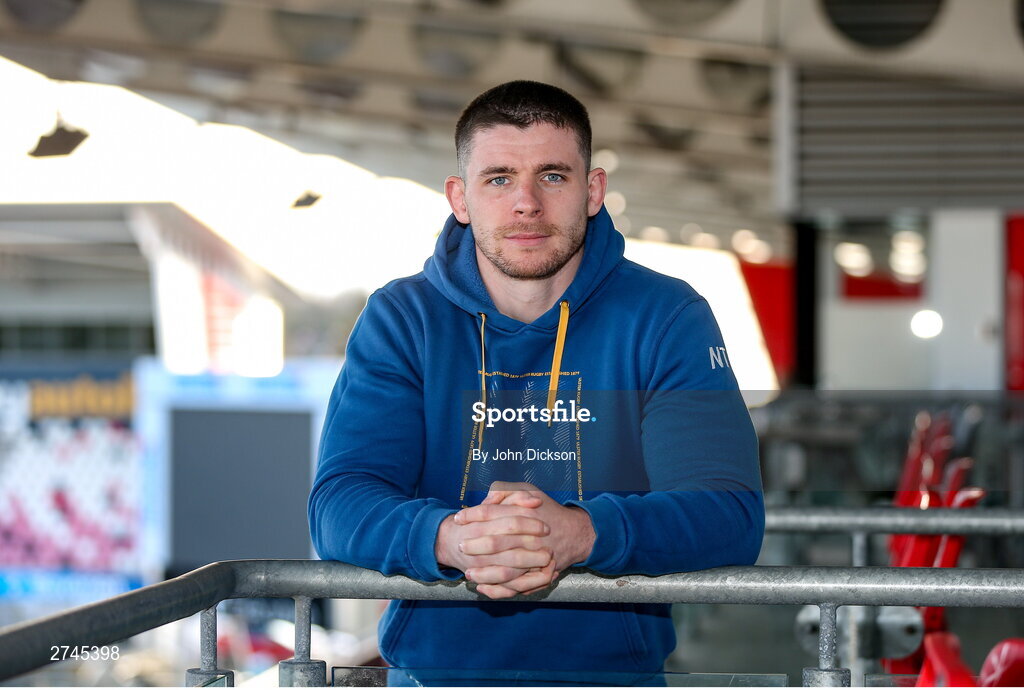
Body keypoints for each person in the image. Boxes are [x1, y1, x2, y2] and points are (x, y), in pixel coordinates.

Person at [308, 80, 764, 679]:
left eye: (553, 175)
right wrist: (449, 539)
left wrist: (581, 533)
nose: (526, 203)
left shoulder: (665, 316)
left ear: (593, 191)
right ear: (460, 198)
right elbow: (340, 503)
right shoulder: (403, 319)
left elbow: (727, 513)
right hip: (435, 675)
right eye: (498, 178)